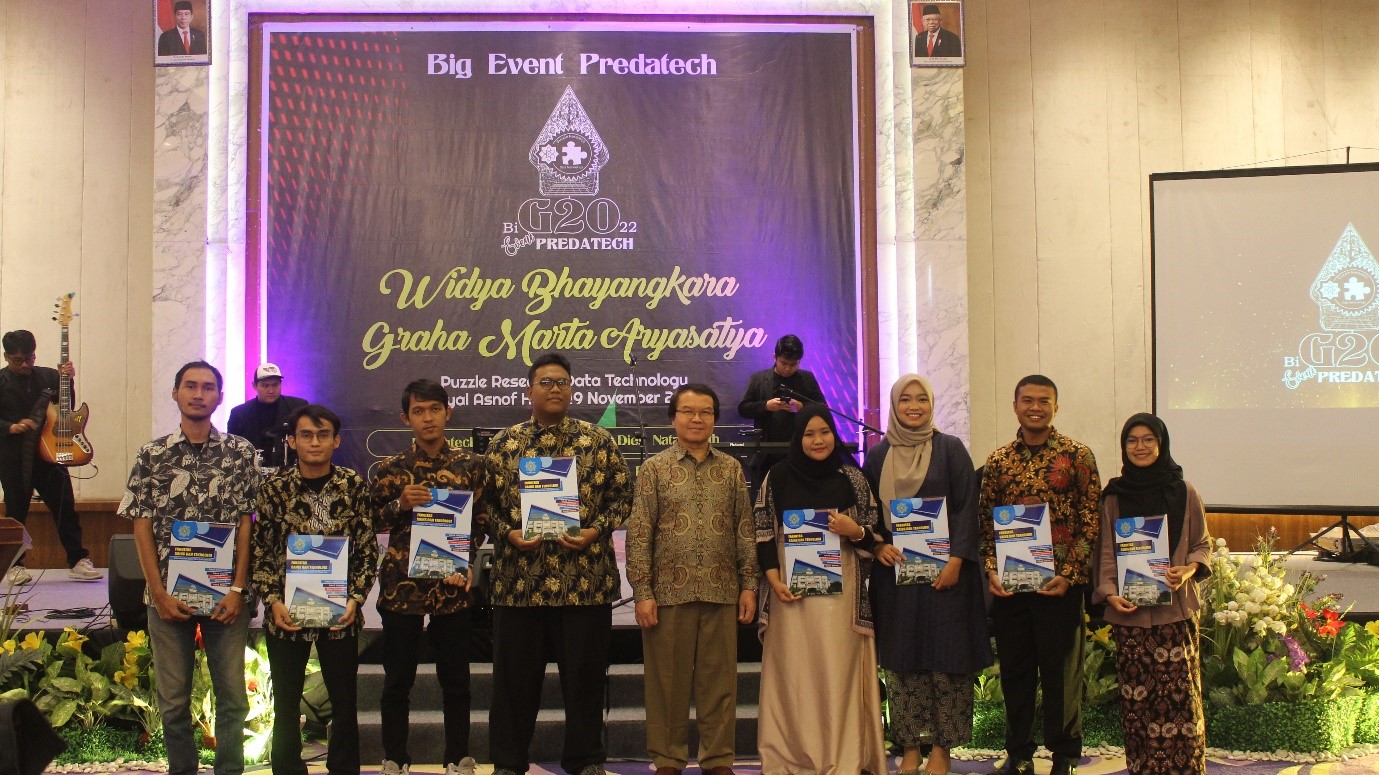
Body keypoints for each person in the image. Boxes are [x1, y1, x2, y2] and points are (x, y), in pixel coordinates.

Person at [484, 352, 633, 775]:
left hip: (584, 584)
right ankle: (508, 763)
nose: (555, 389)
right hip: (520, 585)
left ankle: (585, 760)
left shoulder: (597, 441)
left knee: (585, 681)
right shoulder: (504, 444)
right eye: (546, 382)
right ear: (528, 390)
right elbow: (485, 507)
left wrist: (595, 531)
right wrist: (507, 533)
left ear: (571, 389)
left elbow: (623, 497)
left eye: (562, 382)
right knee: (514, 684)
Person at [118, 360, 260, 775]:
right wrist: (158, 593)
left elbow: (247, 524)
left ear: (219, 396)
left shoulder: (241, 453)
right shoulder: (152, 455)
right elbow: (140, 526)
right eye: (190, 386)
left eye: (208, 387)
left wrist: (238, 589)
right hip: (167, 596)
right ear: (175, 392)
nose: (199, 394)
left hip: (227, 597)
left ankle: (229, 770)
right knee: (173, 701)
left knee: (233, 699)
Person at [626, 384, 758, 775]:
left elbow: (744, 529)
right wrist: (642, 592)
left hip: (721, 590)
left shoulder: (730, 468)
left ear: (714, 419)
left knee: (720, 684)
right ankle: (668, 759)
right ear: (673, 418)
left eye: (705, 412)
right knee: (666, 685)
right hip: (668, 594)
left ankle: (717, 759)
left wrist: (749, 585)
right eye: (688, 411)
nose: (696, 419)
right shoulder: (654, 469)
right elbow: (640, 533)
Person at [863, 375, 990, 775]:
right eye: (905, 399)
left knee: (946, 660)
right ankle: (910, 745)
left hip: (946, 579)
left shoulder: (950, 449)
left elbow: (967, 506)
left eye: (921, 399)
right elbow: (868, 513)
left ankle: (941, 748)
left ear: (932, 404)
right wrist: (877, 546)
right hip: (897, 577)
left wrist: (957, 560)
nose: (914, 406)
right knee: (902, 662)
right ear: (894, 405)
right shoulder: (878, 455)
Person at [754, 405, 887, 775]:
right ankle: (792, 756)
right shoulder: (778, 476)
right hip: (790, 594)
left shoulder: (852, 478)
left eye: (825, 432)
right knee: (795, 675)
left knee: (836, 673)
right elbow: (762, 530)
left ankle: (842, 756)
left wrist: (853, 530)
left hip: (841, 598)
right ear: (798, 437)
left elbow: (875, 534)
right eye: (809, 434)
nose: (818, 440)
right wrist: (774, 580)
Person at [978, 375, 1100, 775]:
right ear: (1015, 406)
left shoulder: (1078, 456)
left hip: (1059, 586)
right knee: (1016, 672)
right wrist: (991, 570)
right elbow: (985, 525)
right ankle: (1019, 754)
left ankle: (1064, 756)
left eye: (1043, 401)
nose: (1035, 407)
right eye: (1027, 400)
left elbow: (1090, 520)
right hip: (1011, 590)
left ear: (1055, 407)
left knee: (1062, 674)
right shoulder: (998, 461)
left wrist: (1070, 574)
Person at [370, 379, 491, 775]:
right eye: (419, 411)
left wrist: (465, 563)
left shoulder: (471, 466)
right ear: (406, 418)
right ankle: (394, 757)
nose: (428, 418)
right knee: (398, 680)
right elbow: (369, 521)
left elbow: (482, 523)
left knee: (456, 680)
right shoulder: (391, 469)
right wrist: (399, 504)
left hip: (450, 587)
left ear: (448, 413)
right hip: (401, 587)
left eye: (435, 409)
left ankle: (458, 756)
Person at [251, 404, 379, 775]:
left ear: (336, 441)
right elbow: (261, 551)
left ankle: (343, 768)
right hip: (286, 614)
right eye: (306, 435)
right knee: (285, 702)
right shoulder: (274, 490)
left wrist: (356, 599)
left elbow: (367, 548)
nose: (315, 442)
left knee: (345, 702)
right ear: (292, 441)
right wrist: (272, 601)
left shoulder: (353, 486)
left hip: (340, 613)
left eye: (323, 435)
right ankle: (288, 768)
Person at [1093, 414, 1211, 775]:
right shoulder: (1114, 497)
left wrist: (1188, 569)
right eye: (1132, 440)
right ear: (1123, 447)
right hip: (1129, 616)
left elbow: (1202, 545)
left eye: (1148, 439)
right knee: (1137, 704)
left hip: (1175, 614)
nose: (1140, 447)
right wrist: (1109, 594)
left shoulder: (1184, 491)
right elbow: (1106, 552)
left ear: (1161, 444)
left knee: (1181, 701)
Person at [0, 330, 100, 584]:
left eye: (29, 358)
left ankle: (78, 560)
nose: (25, 365)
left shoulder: (49, 376)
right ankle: (15, 565)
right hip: (14, 458)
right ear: (6, 356)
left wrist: (68, 381)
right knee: (15, 512)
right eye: (18, 360)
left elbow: (66, 412)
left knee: (65, 507)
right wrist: (10, 427)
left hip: (50, 453)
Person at [736, 334, 825, 490]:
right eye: (784, 363)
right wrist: (766, 406)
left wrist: (802, 407)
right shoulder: (759, 378)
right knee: (764, 496)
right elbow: (743, 409)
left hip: (801, 452)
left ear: (799, 361)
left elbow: (823, 408)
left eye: (793, 364)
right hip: (766, 453)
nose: (788, 369)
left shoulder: (807, 378)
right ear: (774, 357)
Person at [227, 363, 307, 469]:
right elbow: (231, 449)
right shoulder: (239, 413)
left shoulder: (297, 407)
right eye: (265, 386)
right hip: (250, 472)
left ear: (281, 384)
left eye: (275, 385)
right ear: (254, 386)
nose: (271, 391)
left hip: (290, 471)